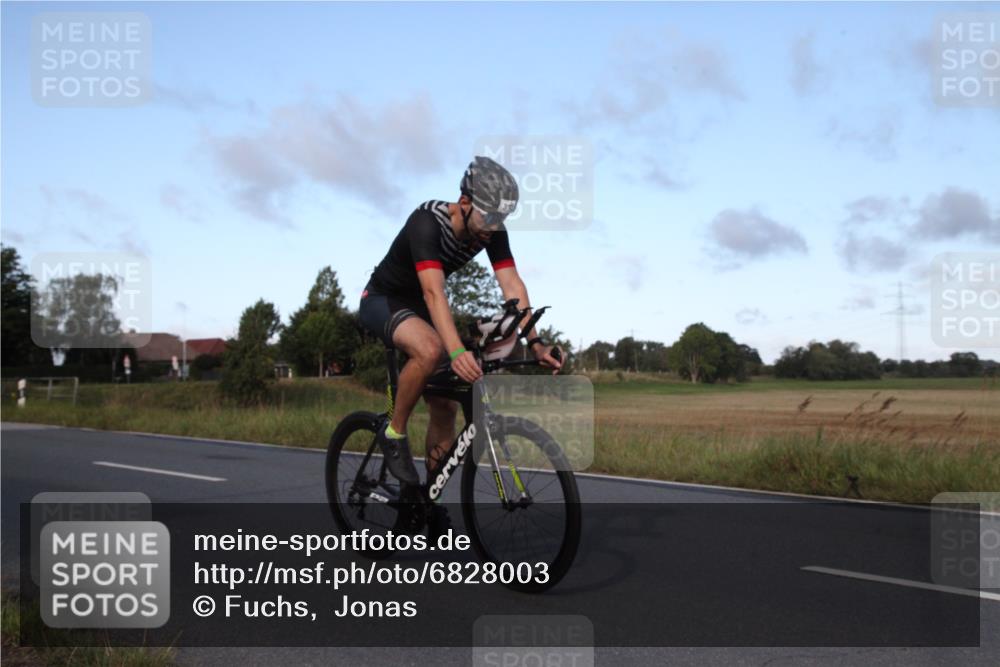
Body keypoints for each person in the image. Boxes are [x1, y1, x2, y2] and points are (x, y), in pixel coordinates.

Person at [358, 156, 563, 486]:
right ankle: (393, 433)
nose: (493, 227)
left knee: (445, 405)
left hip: (423, 307)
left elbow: (512, 284)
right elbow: (434, 293)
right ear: (464, 202)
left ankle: (429, 498)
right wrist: (455, 352)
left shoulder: (490, 231)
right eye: (489, 217)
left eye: (501, 219)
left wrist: (536, 343)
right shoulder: (427, 221)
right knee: (431, 349)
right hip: (383, 300)